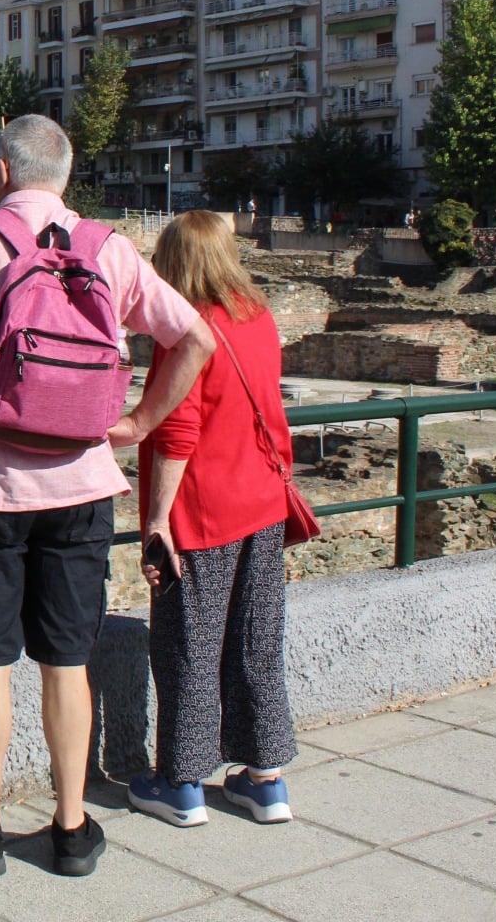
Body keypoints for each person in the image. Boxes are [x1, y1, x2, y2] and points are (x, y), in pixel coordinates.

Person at [0, 115, 214, 879]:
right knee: (67, 663)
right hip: (83, 488)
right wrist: (140, 422)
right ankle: (71, 827)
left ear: (0, 174)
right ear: (65, 177)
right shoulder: (109, 250)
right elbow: (195, 340)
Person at [127, 210, 298, 829]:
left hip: (204, 509)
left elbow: (177, 431)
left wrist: (156, 522)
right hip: (263, 503)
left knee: (187, 648)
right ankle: (265, 781)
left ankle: (181, 784)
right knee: (257, 643)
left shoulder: (188, 333)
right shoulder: (259, 318)